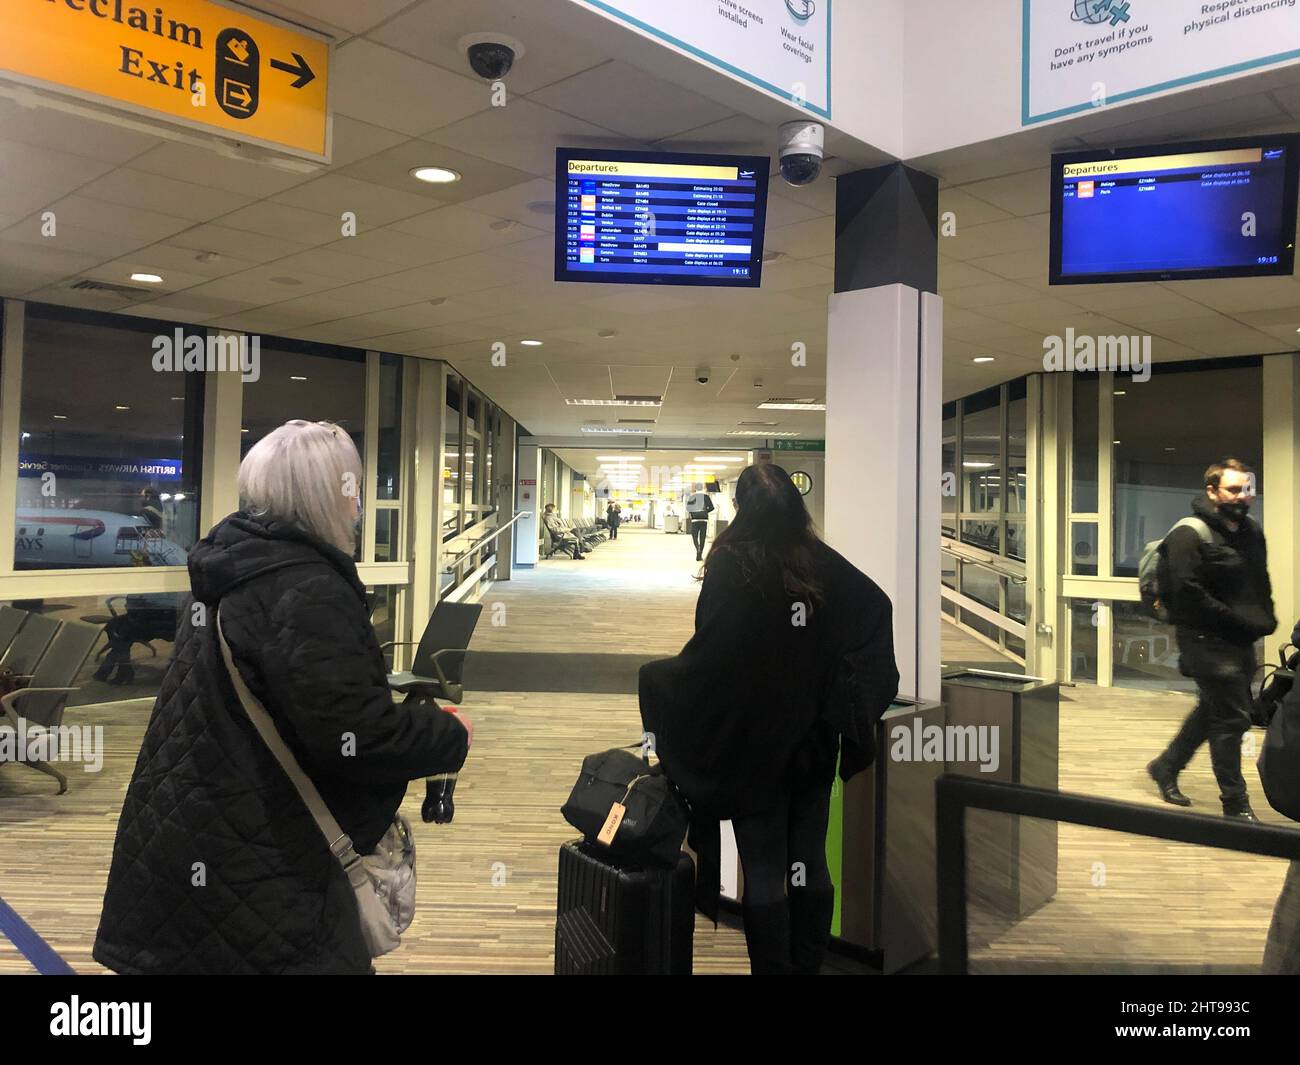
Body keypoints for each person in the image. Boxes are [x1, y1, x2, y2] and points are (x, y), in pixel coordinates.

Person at [93, 420, 472, 974]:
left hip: (191, 835)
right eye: (353, 489)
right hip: (266, 866)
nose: (359, 505)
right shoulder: (307, 590)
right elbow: (355, 740)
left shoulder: (227, 573)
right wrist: (448, 735)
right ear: (332, 495)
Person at [640, 464, 899, 975]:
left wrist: (658, 681)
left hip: (753, 746)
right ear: (795, 510)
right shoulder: (822, 563)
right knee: (808, 865)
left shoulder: (732, 565)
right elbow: (876, 610)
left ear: (741, 508)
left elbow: (712, 655)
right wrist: (842, 701)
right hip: (812, 747)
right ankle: (807, 968)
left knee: (764, 870)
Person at [1147, 458, 1276, 821]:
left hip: (1240, 639)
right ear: (1212, 491)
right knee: (1233, 718)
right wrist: (1234, 619)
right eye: (1234, 489)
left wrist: (1264, 617)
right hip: (1204, 639)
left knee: (1215, 710)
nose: (1242, 496)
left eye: (1247, 489)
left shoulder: (1250, 531)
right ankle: (1235, 804)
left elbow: (1258, 581)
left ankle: (1166, 766)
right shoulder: (1189, 534)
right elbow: (1187, 593)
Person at [684, 482, 714, 561]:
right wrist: (705, 512)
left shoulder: (692, 497)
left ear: (696, 488)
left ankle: (698, 548)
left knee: (694, 536)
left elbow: (688, 509)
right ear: (703, 488)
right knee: (702, 537)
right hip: (704, 520)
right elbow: (712, 508)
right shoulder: (706, 497)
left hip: (695, 520)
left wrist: (694, 513)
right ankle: (700, 555)